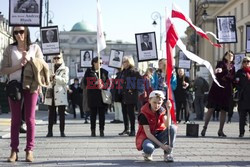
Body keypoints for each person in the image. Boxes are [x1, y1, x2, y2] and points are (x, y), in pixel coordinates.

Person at [0, 26, 44, 162]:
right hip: (14, 86)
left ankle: (29, 150)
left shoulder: (35, 47)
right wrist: (19, 65)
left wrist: (30, 61)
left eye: (21, 31)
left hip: (31, 85)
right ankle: (14, 151)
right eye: (16, 32)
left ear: (27, 32)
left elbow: (42, 66)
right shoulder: (10, 49)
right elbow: (3, 70)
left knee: (30, 119)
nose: (19, 34)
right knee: (16, 120)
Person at [136, 90, 177, 162]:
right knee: (148, 148)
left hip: (159, 135)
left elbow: (168, 125)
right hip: (147, 138)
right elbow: (148, 134)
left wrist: (168, 110)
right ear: (149, 101)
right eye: (154, 102)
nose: (157, 105)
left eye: (159, 103)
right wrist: (162, 146)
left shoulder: (161, 110)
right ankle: (147, 154)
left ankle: (168, 153)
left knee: (173, 128)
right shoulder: (144, 113)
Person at [201, 51, 235, 137]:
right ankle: (204, 128)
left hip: (226, 91)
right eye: (229, 55)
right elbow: (218, 75)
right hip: (217, 90)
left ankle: (221, 130)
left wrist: (227, 75)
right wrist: (226, 72)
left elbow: (232, 78)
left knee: (223, 110)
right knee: (211, 108)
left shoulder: (233, 66)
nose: (230, 57)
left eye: (232, 55)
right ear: (225, 56)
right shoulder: (220, 64)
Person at [44, 53, 69, 138]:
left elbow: (65, 80)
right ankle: (49, 131)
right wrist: (49, 78)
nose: (56, 59)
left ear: (61, 58)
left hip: (60, 93)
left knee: (61, 114)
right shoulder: (49, 67)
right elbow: (45, 80)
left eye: (58, 58)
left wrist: (56, 77)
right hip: (51, 92)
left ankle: (62, 131)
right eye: (54, 58)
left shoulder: (65, 69)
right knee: (51, 113)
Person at [83, 57, 109, 137]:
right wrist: (94, 82)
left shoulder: (104, 72)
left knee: (102, 115)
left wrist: (103, 85)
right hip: (92, 96)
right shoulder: (89, 71)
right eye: (99, 63)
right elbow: (85, 82)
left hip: (101, 96)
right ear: (94, 63)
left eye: (101, 63)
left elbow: (108, 83)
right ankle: (93, 130)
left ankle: (102, 130)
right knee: (93, 115)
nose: (100, 64)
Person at [118, 56, 143, 136]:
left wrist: (132, 88)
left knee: (131, 113)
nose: (123, 63)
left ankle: (132, 129)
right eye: (123, 62)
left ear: (129, 62)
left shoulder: (134, 71)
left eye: (125, 61)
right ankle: (126, 128)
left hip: (130, 95)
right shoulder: (123, 71)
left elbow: (140, 82)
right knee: (124, 112)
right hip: (123, 94)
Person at [235, 56, 250, 137]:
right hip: (243, 98)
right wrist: (239, 90)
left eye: (248, 61)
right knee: (242, 117)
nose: (246, 63)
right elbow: (236, 83)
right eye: (244, 61)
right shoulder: (240, 72)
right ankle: (241, 132)